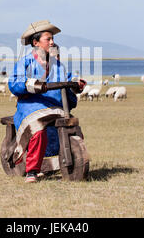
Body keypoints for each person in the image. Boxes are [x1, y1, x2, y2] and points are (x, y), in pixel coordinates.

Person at [8, 20, 86, 183]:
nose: (52, 42)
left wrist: (76, 83)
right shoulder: (25, 63)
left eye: (52, 39)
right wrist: (35, 85)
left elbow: (66, 78)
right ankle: (32, 171)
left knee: (71, 126)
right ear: (35, 43)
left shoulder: (58, 65)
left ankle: (66, 160)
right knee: (38, 128)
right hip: (31, 108)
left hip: (54, 107)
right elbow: (15, 83)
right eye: (48, 39)